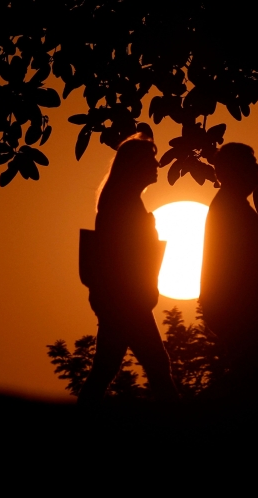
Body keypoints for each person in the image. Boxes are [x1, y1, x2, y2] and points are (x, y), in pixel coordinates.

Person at [78, 133, 180, 404]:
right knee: (157, 366)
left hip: (124, 301)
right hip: (127, 302)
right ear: (134, 166)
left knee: (106, 369)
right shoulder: (121, 206)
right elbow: (123, 259)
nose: (157, 165)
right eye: (151, 159)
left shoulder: (123, 203)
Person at [200, 143, 258, 401]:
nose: (257, 173)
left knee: (251, 382)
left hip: (246, 316)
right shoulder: (228, 210)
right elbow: (232, 269)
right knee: (252, 386)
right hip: (242, 316)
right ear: (236, 171)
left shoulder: (231, 207)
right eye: (251, 167)